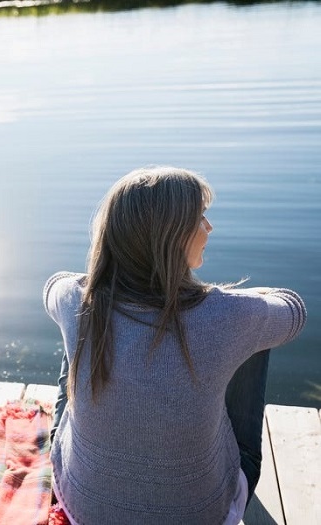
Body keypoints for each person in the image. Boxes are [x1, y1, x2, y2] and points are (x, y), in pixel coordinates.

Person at [43, 167, 306, 524]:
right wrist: (251, 299)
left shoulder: (74, 298)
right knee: (258, 334)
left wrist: (99, 286)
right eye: (200, 218)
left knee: (84, 325)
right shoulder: (230, 314)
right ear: (171, 238)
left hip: (85, 508)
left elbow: (54, 286)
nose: (209, 229)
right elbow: (294, 310)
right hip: (202, 514)